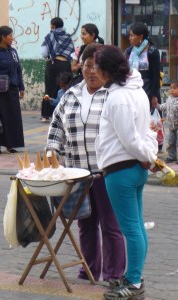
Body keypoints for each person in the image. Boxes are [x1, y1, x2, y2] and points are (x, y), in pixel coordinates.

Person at [45, 44, 126, 285]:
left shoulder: (113, 95)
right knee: (85, 224)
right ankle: (88, 270)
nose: (92, 71)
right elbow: (56, 126)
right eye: (88, 66)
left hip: (106, 173)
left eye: (97, 66)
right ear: (81, 66)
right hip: (77, 171)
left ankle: (114, 274)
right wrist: (52, 150)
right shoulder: (71, 95)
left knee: (111, 225)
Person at [94, 45, 158, 299]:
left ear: (104, 70)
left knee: (130, 229)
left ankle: (133, 283)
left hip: (121, 169)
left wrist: (147, 157)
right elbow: (144, 132)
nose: (94, 72)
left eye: (96, 67)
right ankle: (134, 276)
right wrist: (147, 157)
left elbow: (130, 139)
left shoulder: (119, 97)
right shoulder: (136, 91)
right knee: (136, 227)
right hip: (132, 167)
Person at [0, 26, 25, 155]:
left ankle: (10, 145)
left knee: (12, 118)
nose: (12, 38)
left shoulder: (13, 52)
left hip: (12, 91)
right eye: (10, 36)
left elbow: (18, 70)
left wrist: (21, 87)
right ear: (3, 37)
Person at [41, 17, 74, 122]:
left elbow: (44, 53)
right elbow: (71, 52)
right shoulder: (68, 37)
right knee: (65, 87)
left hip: (53, 64)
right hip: (65, 64)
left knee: (49, 88)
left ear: (53, 26)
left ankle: (46, 115)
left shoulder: (49, 36)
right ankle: (64, 111)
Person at [125, 22, 161, 110]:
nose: (130, 38)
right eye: (129, 35)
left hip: (147, 90)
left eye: (132, 35)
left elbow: (156, 75)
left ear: (140, 37)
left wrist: (154, 95)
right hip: (132, 89)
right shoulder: (130, 51)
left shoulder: (152, 51)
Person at [157, 80, 178, 163]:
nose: (171, 90)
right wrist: (158, 106)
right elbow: (165, 106)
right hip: (171, 124)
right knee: (171, 141)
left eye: (174, 88)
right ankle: (172, 156)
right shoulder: (169, 99)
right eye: (170, 88)